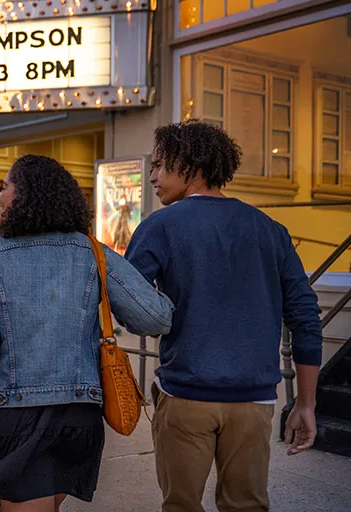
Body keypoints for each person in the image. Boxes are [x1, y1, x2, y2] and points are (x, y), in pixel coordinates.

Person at [0, 155, 174, 512]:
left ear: (27, 195)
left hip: (17, 417)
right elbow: (155, 318)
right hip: (79, 419)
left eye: (5, 187)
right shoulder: (91, 251)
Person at [124, 120, 323, 512]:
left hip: (185, 396)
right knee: (247, 506)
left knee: (181, 506)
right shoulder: (271, 230)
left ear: (190, 165)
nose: (153, 176)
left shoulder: (159, 226)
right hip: (255, 402)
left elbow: (130, 305)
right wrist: (305, 403)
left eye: (160, 165)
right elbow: (305, 317)